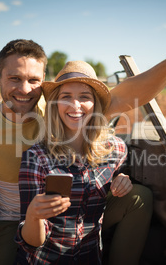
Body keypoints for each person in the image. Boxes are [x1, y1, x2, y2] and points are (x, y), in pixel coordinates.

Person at [0, 20, 166, 264]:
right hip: (18, 219)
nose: (25, 89)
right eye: (14, 78)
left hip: (76, 208)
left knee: (139, 196)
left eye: (33, 80)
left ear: (43, 83)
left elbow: (134, 91)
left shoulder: (62, 105)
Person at [15, 61, 131, 264]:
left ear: (95, 104)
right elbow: (33, 243)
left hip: (91, 257)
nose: (75, 105)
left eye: (84, 97)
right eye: (65, 97)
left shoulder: (116, 150)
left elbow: (119, 172)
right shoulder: (36, 157)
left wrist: (123, 179)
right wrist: (33, 216)